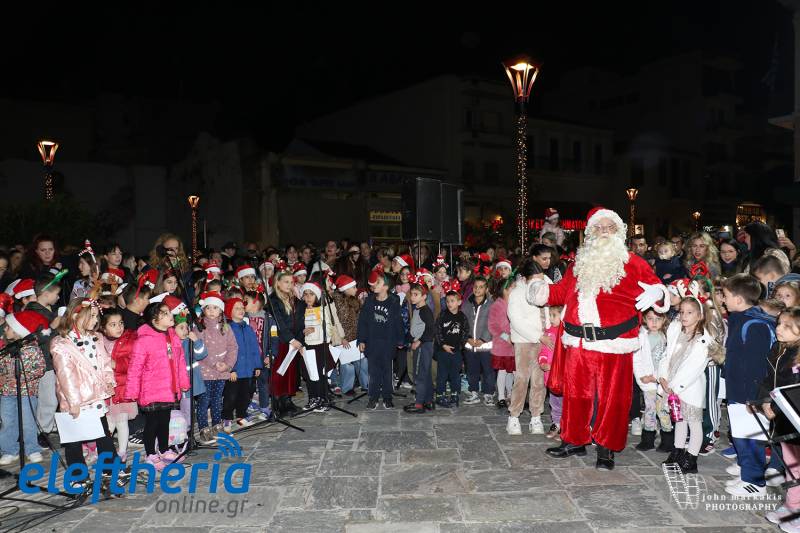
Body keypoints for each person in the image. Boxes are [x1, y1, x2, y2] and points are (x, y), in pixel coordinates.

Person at [527, 206, 669, 470]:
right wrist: (539, 292)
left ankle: (606, 448)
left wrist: (658, 294)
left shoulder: (633, 263)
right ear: (590, 233)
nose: (604, 232)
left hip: (614, 345)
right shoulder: (578, 265)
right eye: (598, 228)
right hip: (578, 342)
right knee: (575, 396)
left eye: (609, 228)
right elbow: (561, 293)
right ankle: (574, 440)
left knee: (612, 399)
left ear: (618, 232)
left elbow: (658, 289)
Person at [50, 298, 128, 492]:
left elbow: (104, 361)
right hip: (76, 399)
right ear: (76, 316)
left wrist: (109, 381)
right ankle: (78, 477)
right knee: (74, 441)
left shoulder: (96, 338)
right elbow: (65, 375)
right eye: (91, 316)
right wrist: (73, 402)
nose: (95, 321)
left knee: (104, 435)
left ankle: (110, 469)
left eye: (96, 316)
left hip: (95, 397)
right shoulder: (62, 344)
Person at [721, 273, 778, 497]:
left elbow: (756, 365)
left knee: (752, 438)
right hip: (738, 390)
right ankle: (747, 473)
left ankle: (755, 483)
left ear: (738, 299)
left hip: (749, 394)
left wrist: (754, 398)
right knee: (741, 436)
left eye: (725, 296)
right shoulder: (740, 319)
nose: (723, 300)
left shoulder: (755, 325)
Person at [125, 302, 189, 469]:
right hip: (151, 390)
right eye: (165, 313)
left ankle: (164, 449)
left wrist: (183, 382)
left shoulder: (173, 336)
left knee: (164, 421)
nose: (170, 316)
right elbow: (135, 367)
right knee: (152, 423)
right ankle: (150, 455)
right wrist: (132, 391)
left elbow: (180, 362)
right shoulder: (144, 341)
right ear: (154, 319)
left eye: (169, 312)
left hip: (169, 389)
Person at [658, 297, 712, 474]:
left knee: (694, 423)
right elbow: (666, 356)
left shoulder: (702, 340)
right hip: (671, 386)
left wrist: (675, 386)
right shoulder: (676, 332)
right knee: (679, 421)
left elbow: (693, 368)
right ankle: (677, 452)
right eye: (682, 312)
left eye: (690, 312)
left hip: (689, 389)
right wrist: (663, 378)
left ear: (700, 315)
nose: (684, 316)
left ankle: (691, 459)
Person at [758, 307, 800, 530]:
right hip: (785, 420)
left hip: (795, 416)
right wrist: (765, 400)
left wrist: (776, 405)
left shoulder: (797, 357)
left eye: (786, 326)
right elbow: (769, 380)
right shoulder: (779, 349)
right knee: (792, 466)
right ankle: (792, 505)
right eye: (779, 323)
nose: (778, 328)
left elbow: (794, 390)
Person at [506, 260, 550, 435]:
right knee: (522, 379)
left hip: (543, 340)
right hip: (525, 340)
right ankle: (514, 416)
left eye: (542, 278)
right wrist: (538, 335)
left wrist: (548, 333)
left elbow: (548, 309)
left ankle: (536, 416)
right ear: (525, 279)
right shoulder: (517, 293)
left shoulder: (544, 286)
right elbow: (516, 320)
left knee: (539, 381)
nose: (540, 282)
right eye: (536, 279)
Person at [0, 311, 49, 465]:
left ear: (18, 330)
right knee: (8, 421)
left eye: (8, 327)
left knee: (28, 421)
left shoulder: (32, 349)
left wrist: (20, 377)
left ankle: (32, 449)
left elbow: (40, 369)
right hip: (7, 392)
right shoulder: (5, 350)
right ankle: (9, 450)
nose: (4, 330)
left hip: (26, 392)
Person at [195, 291, 238, 445]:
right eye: (208, 308)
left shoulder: (226, 327)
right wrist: (214, 364)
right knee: (204, 400)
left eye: (215, 308)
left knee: (217, 400)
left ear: (221, 310)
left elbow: (233, 347)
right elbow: (199, 349)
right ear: (204, 310)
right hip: (205, 372)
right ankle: (203, 428)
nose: (212, 311)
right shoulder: (200, 328)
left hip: (222, 371)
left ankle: (216, 426)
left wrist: (227, 365)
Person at [358, 273, 404, 410]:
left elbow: (398, 321)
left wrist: (400, 339)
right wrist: (361, 339)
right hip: (372, 342)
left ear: (385, 286)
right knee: (374, 371)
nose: (373, 286)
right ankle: (373, 397)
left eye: (376, 283)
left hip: (388, 342)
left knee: (387, 371)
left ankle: (387, 397)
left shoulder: (394, 302)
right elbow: (363, 322)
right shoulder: (369, 301)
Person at [297, 282, 344, 412]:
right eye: (305, 294)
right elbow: (298, 328)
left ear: (317, 296)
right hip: (307, 347)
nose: (308, 297)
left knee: (320, 375)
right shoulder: (302, 311)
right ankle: (313, 399)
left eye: (311, 294)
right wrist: (302, 335)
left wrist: (315, 330)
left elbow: (329, 329)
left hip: (320, 347)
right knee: (310, 375)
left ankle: (323, 399)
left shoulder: (322, 309)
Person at [99, 309, 138, 463]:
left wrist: (117, 364)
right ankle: (104, 449)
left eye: (120, 323)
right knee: (108, 421)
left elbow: (133, 362)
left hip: (121, 387)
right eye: (113, 324)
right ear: (103, 328)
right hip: (105, 389)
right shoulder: (98, 341)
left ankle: (122, 451)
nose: (119, 327)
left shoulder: (130, 340)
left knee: (121, 421)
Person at [223, 297, 262, 429]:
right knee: (231, 396)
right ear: (230, 311)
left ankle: (241, 415)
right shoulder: (228, 329)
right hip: (235, 370)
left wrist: (257, 365)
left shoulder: (248, 328)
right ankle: (227, 417)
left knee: (245, 395)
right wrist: (231, 369)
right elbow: (226, 350)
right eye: (237, 308)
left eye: (242, 308)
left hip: (247, 369)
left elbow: (255, 348)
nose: (241, 310)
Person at [269, 271, 302, 417]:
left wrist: (298, 338)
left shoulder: (292, 298)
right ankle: (277, 402)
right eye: (286, 282)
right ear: (278, 283)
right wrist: (291, 339)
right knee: (279, 372)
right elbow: (279, 322)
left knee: (289, 373)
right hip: (282, 341)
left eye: (291, 282)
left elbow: (297, 319)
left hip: (293, 341)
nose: (290, 285)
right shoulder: (273, 300)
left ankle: (286, 400)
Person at [403, 282, 436, 414]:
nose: (412, 297)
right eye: (411, 294)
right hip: (420, 344)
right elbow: (416, 328)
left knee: (419, 375)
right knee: (426, 374)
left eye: (416, 295)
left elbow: (430, 329)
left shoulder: (425, 311)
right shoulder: (418, 309)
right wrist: (409, 339)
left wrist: (420, 341)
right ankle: (428, 400)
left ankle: (419, 404)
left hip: (423, 346)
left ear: (424, 296)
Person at [462, 275, 495, 406]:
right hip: (470, 345)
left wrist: (483, 339)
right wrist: (467, 337)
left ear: (486, 289)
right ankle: (474, 391)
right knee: (472, 370)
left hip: (485, 345)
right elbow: (463, 322)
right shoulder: (466, 304)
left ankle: (489, 393)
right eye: (475, 286)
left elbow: (492, 324)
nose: (478, 289)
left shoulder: (491, 304)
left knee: (488, 371)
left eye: (481, 287)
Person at [434, 281, 468, 408]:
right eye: (447, 301)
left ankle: (454, 394)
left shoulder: (462, 317)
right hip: (443, 351)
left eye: (452, 301)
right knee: (442, 374)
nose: (449, 304)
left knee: (455, 374)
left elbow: (465, 332)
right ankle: (440, 395)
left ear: (459, 302)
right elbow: (437, 330)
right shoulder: (443, 315)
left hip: (456, 352)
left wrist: (459, 347)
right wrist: (442, 345)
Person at [331, 275, 367, 396]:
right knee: (347, 365)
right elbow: (335, 321)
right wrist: (341, 337)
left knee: (362, 361)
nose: (356, 289)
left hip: (355, 336)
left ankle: (366, 384)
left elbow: (358, 318)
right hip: (344, 338)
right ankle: (347, 387)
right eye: (353, 287)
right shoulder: (336, 301)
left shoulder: (353, 299)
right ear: (345, 289)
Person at [488, 278, 515, 409]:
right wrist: (506, 337)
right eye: (512, 288)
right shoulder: (497, 305)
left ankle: (511, 394)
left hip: (514, 346)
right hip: (502, 346)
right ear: (505, 290)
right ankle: (501, 397)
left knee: (513, 371)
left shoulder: (515, 304)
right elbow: (493, 326)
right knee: (503, 371)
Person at [540, 305, 563, 439]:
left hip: (562, 376)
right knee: (554, 402)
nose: (551, 318)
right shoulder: (548, 332)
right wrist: (542, 361)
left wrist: (554, 366)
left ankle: (565, 425)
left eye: (554, 315)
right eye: (550, 315)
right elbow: (543, 351)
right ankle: (556, 423)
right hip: (550, 376)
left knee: (565, 402)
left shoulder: (566, 333)